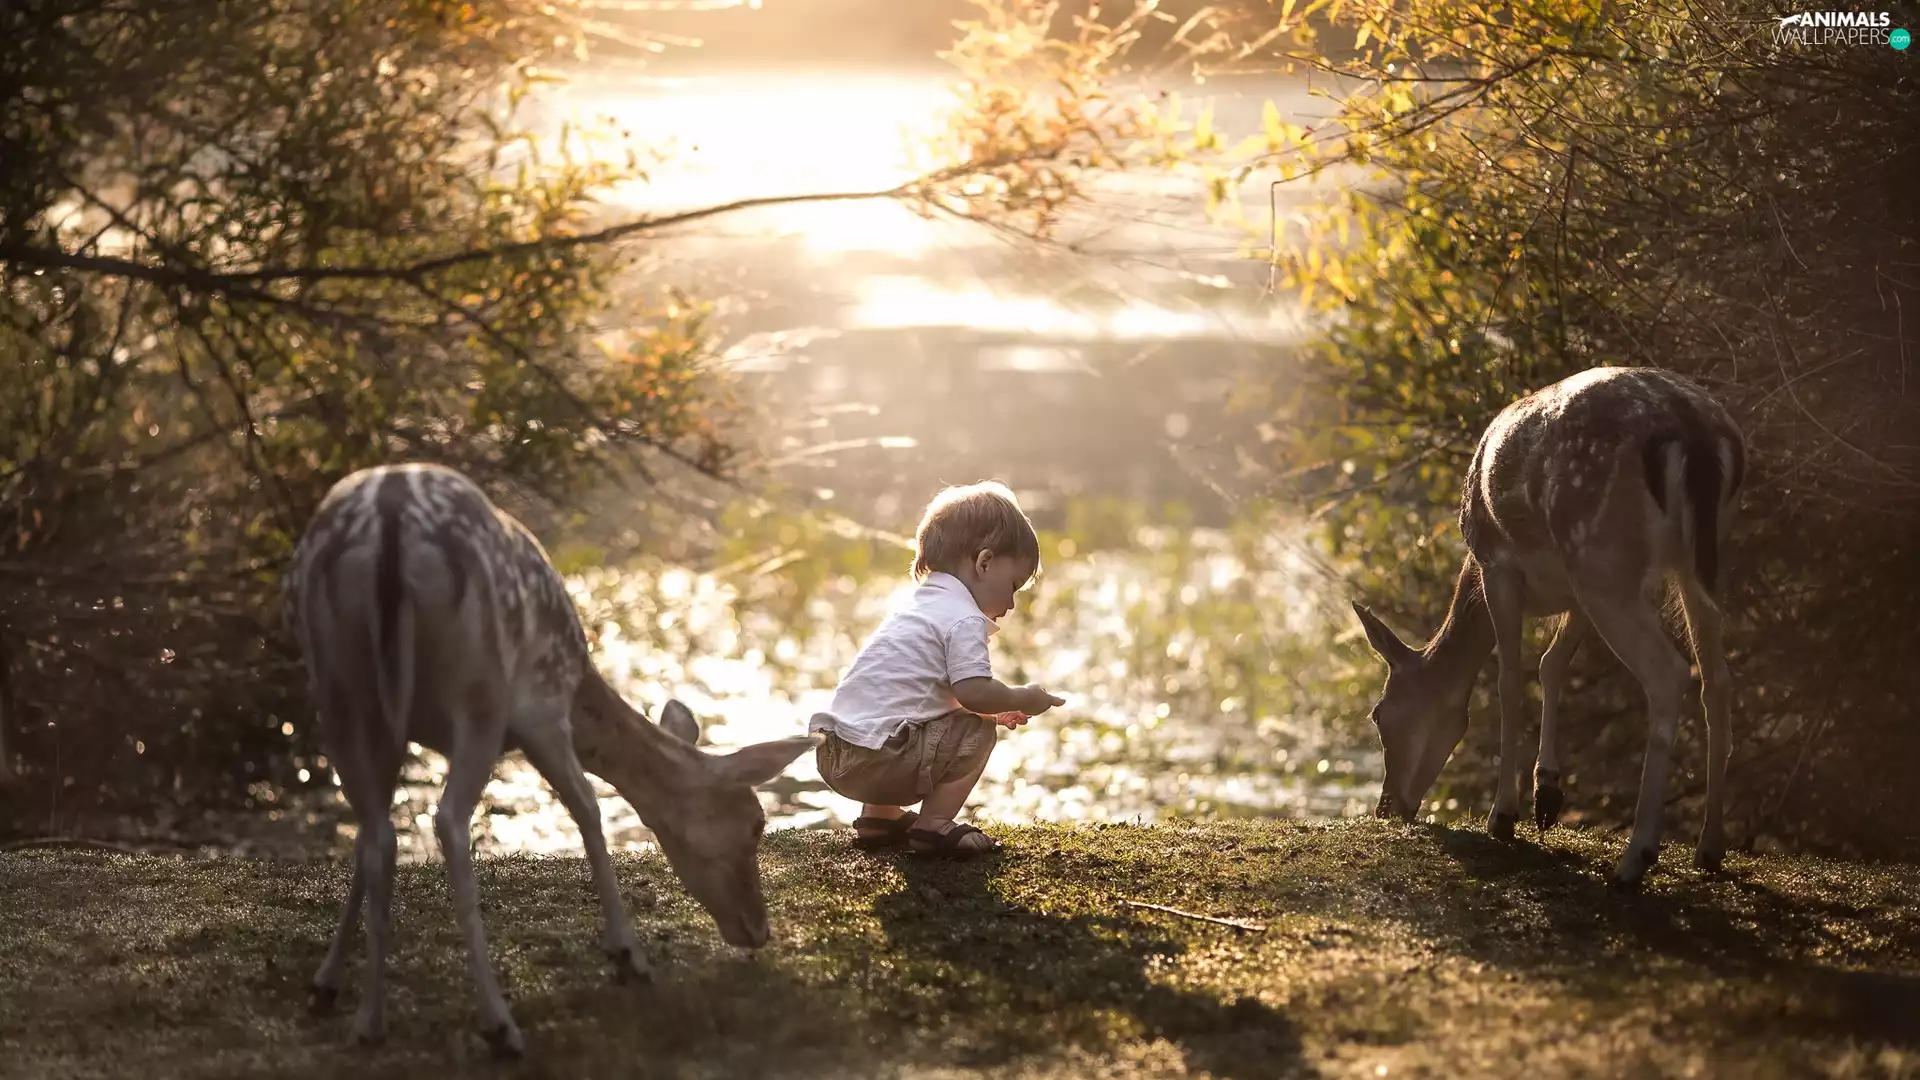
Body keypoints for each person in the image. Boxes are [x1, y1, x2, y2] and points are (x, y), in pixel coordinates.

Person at [809, 481, 1067, 858]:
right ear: (984, 562)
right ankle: (934, 825)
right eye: (1013, 586)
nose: (1012, 604)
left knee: (952, 720)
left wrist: (990, 709)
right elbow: (973, 691)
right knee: (977, 730)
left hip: (836, 753)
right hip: (879, 760)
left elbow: (919, 697)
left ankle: (879, 818)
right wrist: (1021, 698)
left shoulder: (912, 609)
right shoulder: (963, 618)